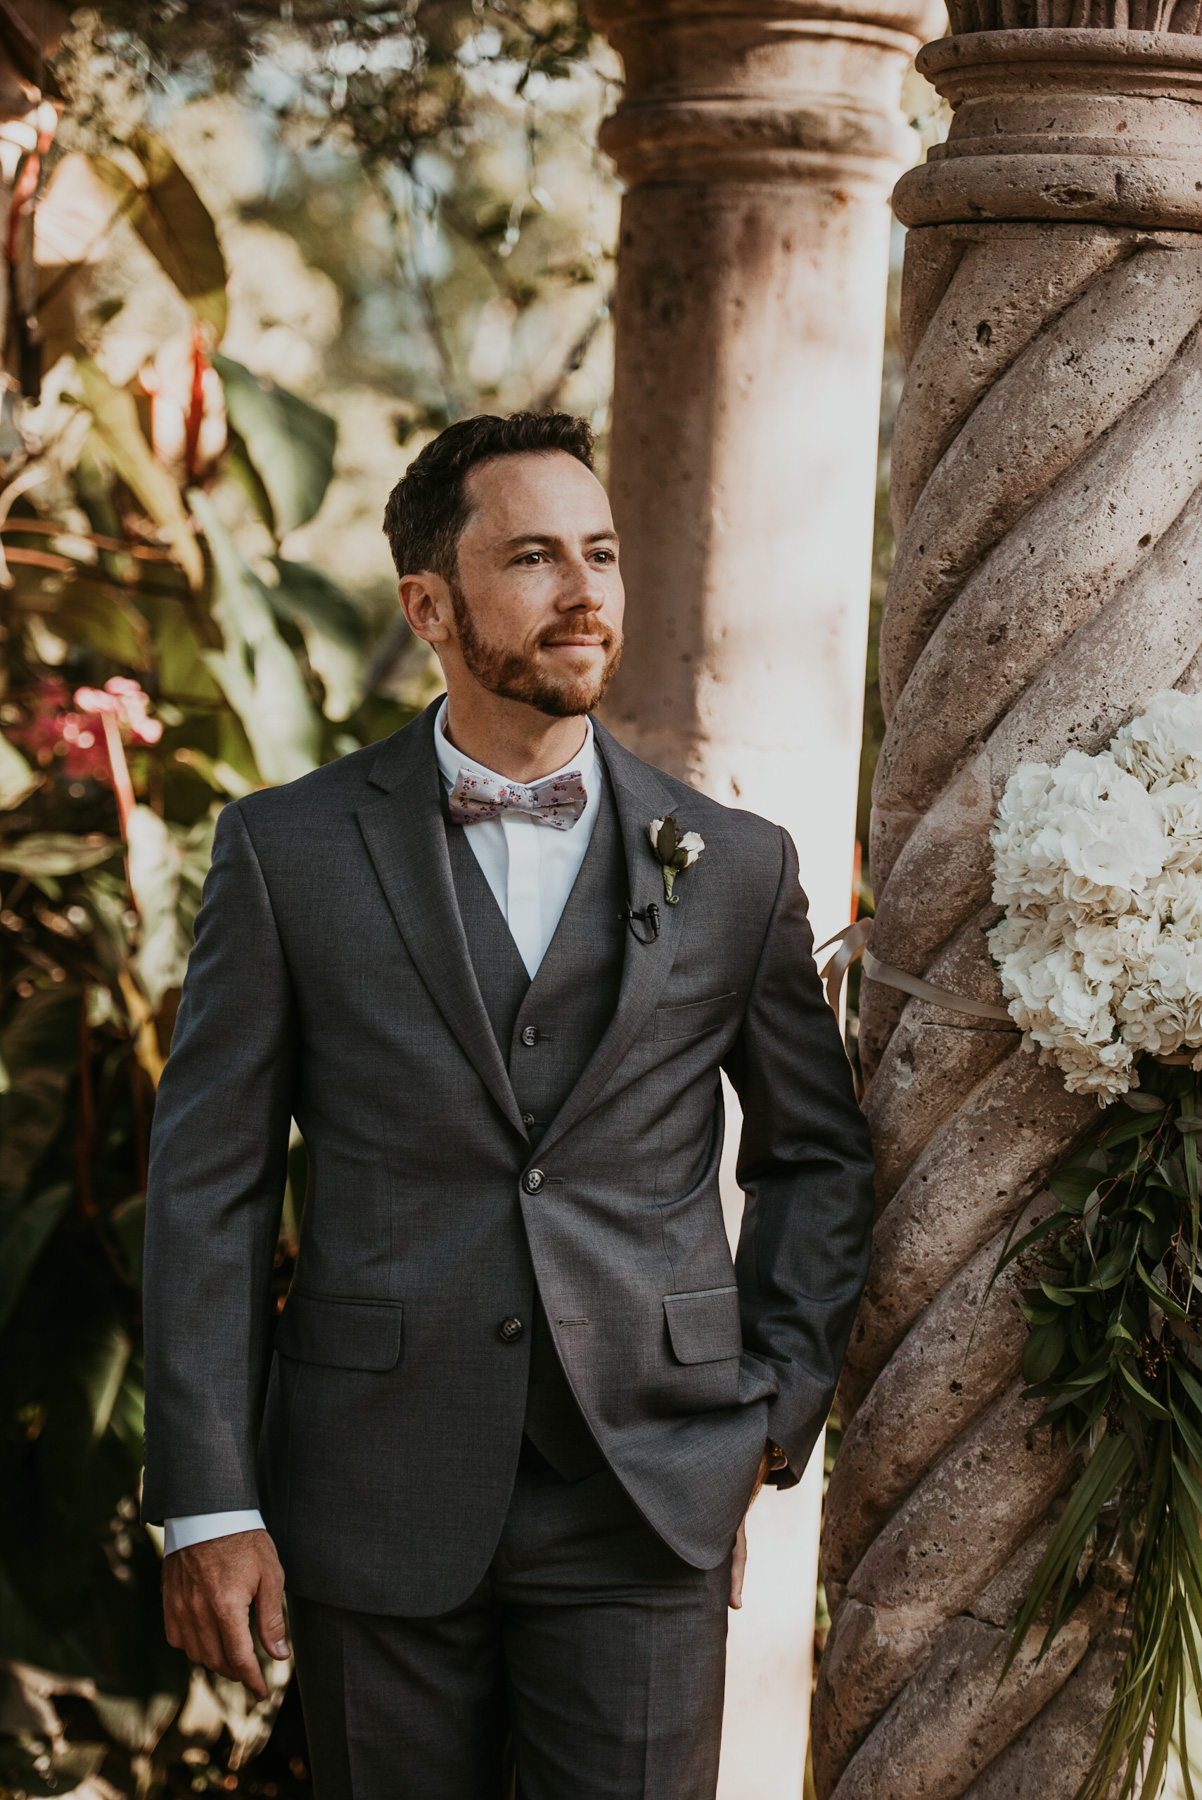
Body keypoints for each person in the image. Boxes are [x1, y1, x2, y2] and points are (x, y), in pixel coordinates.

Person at [141, 411, 875, 1800]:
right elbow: (209, 1187)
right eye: (533, 558)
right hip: (372, 1492)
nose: (584, 592)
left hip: (646, 1492)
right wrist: (211, 1500)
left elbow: (816, 1155)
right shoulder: (288, 851)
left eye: (597, 553)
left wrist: (770, 1409)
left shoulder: (728, 865)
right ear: (430, 604)